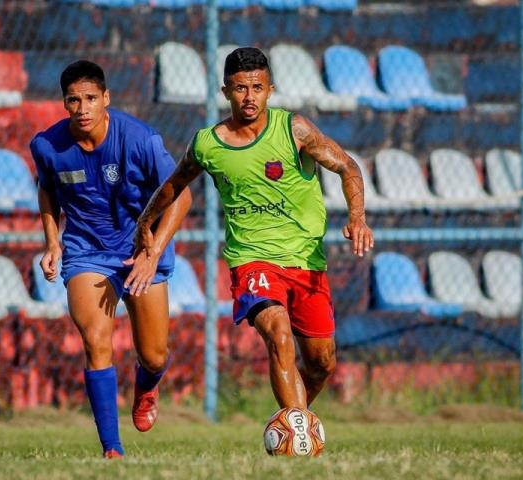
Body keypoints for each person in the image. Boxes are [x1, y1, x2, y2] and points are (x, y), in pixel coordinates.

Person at [132, 47, 374, 413]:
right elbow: (174, 184)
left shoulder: (295, 130)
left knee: (322, 362)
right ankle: (296, 434)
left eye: (257, 88)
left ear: (270, 90)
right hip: (252, 261)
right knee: (278, 333)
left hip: (306, 261)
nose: (249, 97)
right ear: (225, 91)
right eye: (240, 88)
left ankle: (293, 422)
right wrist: (145, 220)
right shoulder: (207, 144)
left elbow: (348, 167)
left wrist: (357, 217)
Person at [30, 60, 191, 459]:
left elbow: (182, 196)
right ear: (64, 103)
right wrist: (53, 243)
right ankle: (112, 450)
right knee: (96, 340)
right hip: (87, 252)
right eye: (73, 100)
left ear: (106, 99)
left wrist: (153, 250)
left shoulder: (139, 139)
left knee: (154, 354)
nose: (82, 108)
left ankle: (147, 384)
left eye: (90, 99)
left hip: (140, 252)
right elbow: (47, 189)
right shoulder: (48, 146)